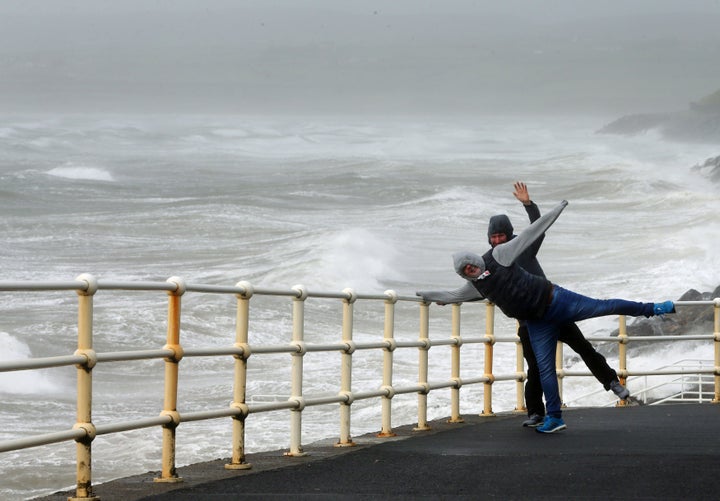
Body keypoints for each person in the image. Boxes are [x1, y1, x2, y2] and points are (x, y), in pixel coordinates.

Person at [420, 198, 675, 433]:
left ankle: (653, 309)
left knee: (600, 314)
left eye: (472, 264)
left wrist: (555, 208)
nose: (472, 269)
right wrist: (429, 296)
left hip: (556, 302)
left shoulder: (504, 253)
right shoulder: (476, 284)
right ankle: (550, 416)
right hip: (535, 322)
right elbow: (454, 295)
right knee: (542, 370)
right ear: (465, 273)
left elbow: (535, 230)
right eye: (466, 270)